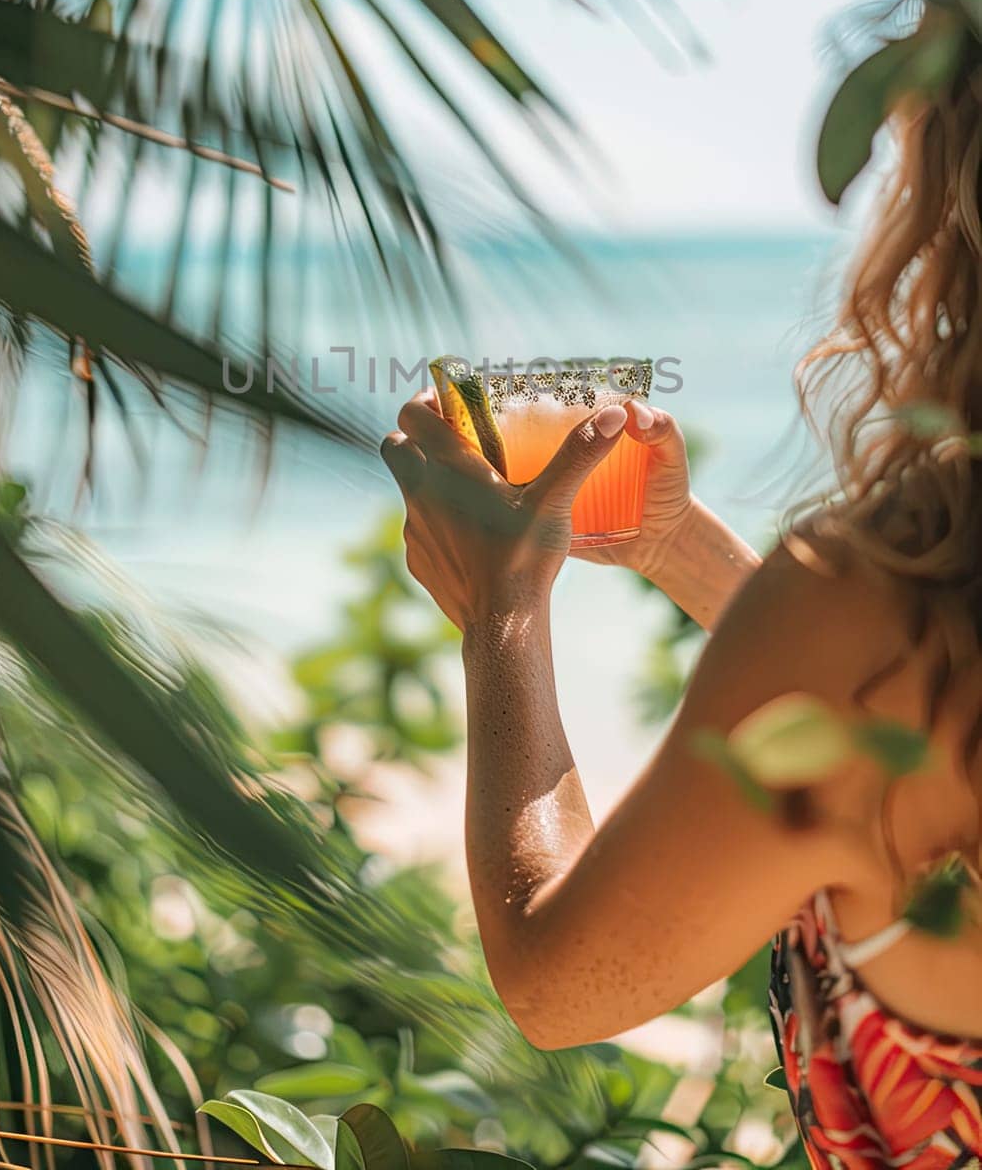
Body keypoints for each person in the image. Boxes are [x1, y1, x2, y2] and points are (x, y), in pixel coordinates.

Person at [380, 106, 982, 1168]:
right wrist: (678, 552)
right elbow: (871, 720)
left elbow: (555, 981)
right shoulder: (885, 629)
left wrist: (501, 612)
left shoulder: (878, 611)